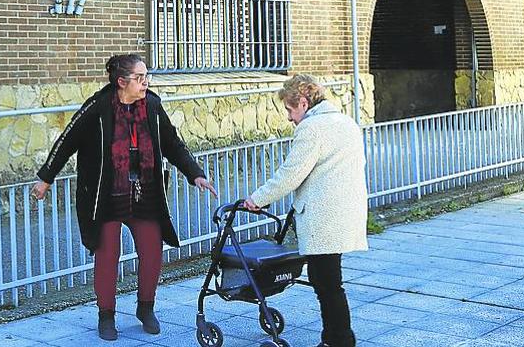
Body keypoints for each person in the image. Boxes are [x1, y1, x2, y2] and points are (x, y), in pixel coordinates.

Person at [33, 54, 217, 341]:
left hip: (145, 191)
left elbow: (172, 143)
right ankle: (106, 315)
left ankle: (146, 308)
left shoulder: (153, 106)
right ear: (121, 82)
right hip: (106, 194)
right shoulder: (98, 107)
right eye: (140, 78)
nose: (146, 83)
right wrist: (46, 178)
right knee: (107, 256)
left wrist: (195, 174)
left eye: (147, 77)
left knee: (152, 251)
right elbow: (67, 141)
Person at [242, 74, 367, 347]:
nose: (289, 117)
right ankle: (336, 338)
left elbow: (290, 175)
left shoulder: (312, 128)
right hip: (345, 212)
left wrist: (257, 199)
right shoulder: (345, 121)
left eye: (289, 108)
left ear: (303, 101)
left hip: (324, 216)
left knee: (326, 283)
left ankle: (339, 340)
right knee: (328, 280)